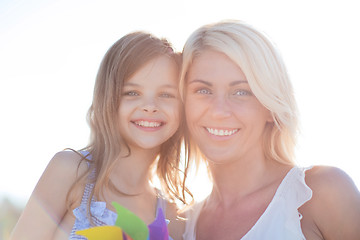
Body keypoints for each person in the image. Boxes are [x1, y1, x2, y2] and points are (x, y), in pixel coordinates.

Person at [180, 20, 360, 240]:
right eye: (203, 90)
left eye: (241, 92)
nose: (219, 111)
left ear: (269, 107)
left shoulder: (321, 193)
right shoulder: (180, 226)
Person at [10, 31, 190, 240]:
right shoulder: (70, 171)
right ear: (109, 97)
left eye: (166, 94)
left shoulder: (171, 214)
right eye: (132, 92)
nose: (150, 106)